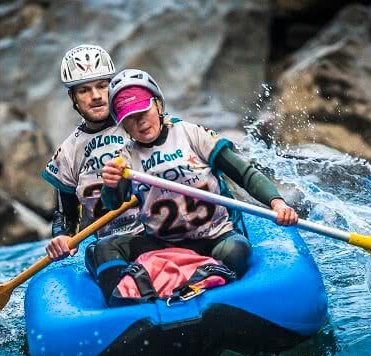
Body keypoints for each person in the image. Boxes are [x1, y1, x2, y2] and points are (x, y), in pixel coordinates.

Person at [93, 69, 298, 302]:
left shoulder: (191, 134)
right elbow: (113, 203)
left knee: (237, 249)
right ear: (123, 126)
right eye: (129, 117)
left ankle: (203, 278)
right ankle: (123, 303)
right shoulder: (126, 157)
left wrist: (277, 203)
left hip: (213, 238)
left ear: (158, 105)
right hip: (162, 245)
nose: (139, 122)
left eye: (143, 111)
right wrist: (111, 184)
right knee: (104, 248)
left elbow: (245, 174)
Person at [41, 45, 143, 267]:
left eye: (102, 86)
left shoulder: (141, 123)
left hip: (157, 230)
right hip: (113, 246)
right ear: (73, 97)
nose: (96, 96)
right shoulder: (68, 153)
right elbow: (66, 218)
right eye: (84, 90)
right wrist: (62, 237)